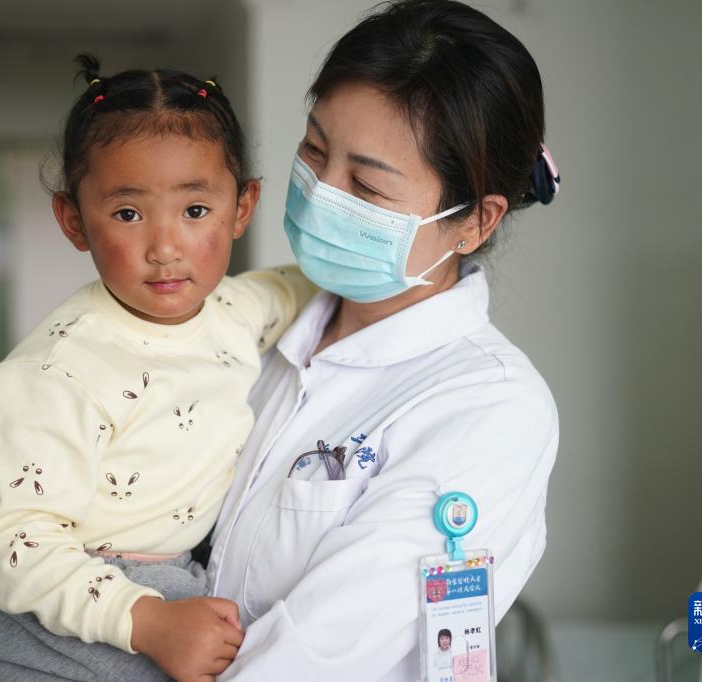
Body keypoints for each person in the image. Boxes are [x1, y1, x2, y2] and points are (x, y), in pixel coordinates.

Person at [206, 1, 561, 679]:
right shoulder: (251, 323)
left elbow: (317, 657)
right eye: (314, 150)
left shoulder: (490, 409)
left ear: (475, 222)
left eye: (366, 186)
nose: (320, 192)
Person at [0, 55, 316, 682]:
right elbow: (12, 545)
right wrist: (148, 619)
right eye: (128, 214)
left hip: (168, 585)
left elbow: (302, 288)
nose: (165, 247)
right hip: (56, 604)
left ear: (242, 207)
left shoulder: (235, 310)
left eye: (195, 210)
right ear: (74, 220)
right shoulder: (56, 372)